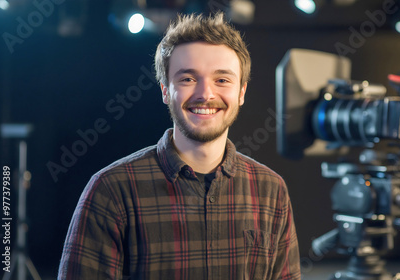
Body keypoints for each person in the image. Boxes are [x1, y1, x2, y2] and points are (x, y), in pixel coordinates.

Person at [58, 12, 300, 280]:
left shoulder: (271, 190)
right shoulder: (111, 190)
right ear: (164, 90)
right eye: (188, 79)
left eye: (222, 80)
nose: (205, 94)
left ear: (241, 92)